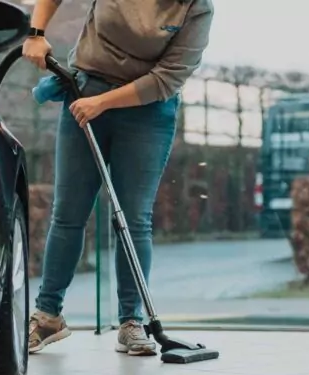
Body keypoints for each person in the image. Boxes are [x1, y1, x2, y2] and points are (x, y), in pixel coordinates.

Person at [22, 0, 214, 356]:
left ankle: (131, 323)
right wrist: (36, 33)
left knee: (134, 218)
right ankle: (48, 316)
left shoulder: (197, 8)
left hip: (148, 110)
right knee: (68, 214)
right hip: (85, 90)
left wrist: (104, 103)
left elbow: (167, 78)